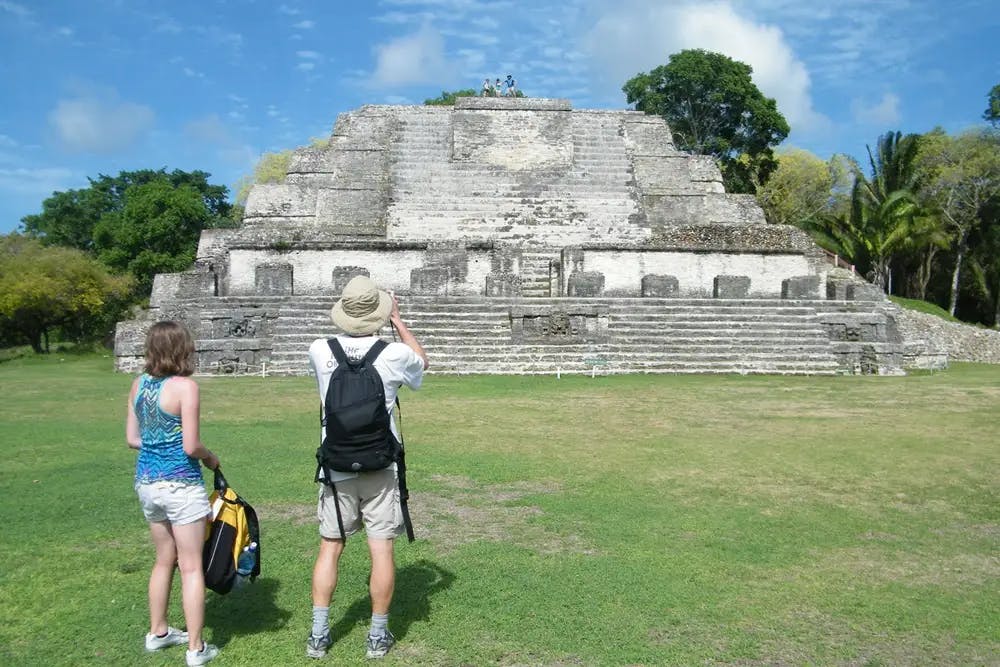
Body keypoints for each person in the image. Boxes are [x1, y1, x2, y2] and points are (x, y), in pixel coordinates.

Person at [306, 275, 428, 660]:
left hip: (337, 466)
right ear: (380, 311)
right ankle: (377, 638)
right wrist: (398, 321)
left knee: (330, 548)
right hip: (381, 467)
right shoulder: (394, 356)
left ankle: (319, 635)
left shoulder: (319, 350)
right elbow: (422, 363)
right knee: (381, 551)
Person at [126, 321, 221, 667]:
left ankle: (159, 631)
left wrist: (155, 443)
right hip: (180, 483)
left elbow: (133, 439)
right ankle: (196, 648)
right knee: (191, 566)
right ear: (183, 349)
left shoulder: (139, 384)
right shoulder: (185, 387)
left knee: (164, 559)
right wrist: (211, 458)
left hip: (148, 482)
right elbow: (191, 444)